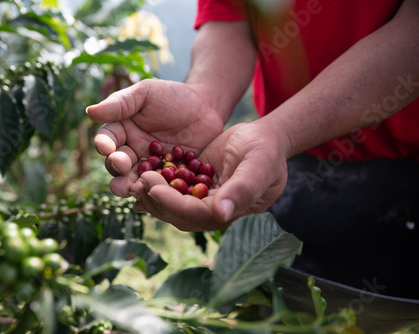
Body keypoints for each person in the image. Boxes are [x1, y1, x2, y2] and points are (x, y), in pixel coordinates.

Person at [87, 0, 419, 299]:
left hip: (405, 167)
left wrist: (282, 130)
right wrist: (206, 98)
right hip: (291, 161)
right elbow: (231, 15)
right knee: (281, 300)